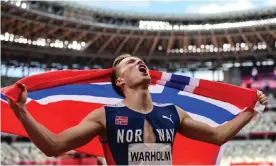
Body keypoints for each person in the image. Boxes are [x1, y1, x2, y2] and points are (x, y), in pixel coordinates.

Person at [7, 54, 268, 165]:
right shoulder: (104, 116)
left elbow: (218, 136)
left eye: (140, 61)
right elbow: (53, 146)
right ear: (120, 81)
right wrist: (22, 112)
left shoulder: (173, 112)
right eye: (130, 63)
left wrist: (250, 110)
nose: (139, 63)